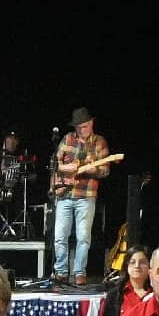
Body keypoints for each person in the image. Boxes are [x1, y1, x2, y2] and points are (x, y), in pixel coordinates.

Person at [50, 107, 111, 286]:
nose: (81, 130)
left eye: (84, 126)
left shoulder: (99, 142)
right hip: (64, 194)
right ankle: (61, 271)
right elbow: (55, 163)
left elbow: (105, 170)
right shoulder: (67, 138)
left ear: (91, 123)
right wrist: (66, 168)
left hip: (86, 195)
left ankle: (79, 272)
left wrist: (89, 169)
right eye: (78, 127)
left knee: (83, 237)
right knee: (60, 236)